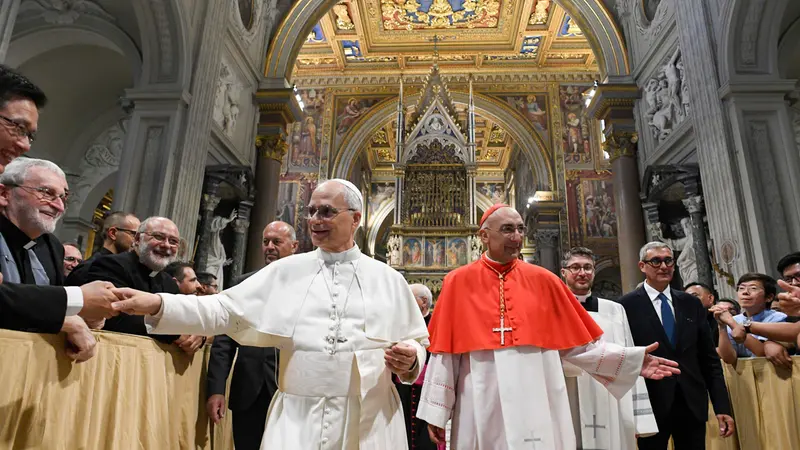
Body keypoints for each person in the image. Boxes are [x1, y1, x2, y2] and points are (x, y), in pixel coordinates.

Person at [111, 179, 429, 449]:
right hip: (298, 417)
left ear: (355, 218)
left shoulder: (388, 279)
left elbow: (417, 341)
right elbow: (222, 310)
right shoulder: (285, 272)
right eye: (311, 211)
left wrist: (412, 358)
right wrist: (159, 304)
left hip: (368, 419)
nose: (315, 220)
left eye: (327, 212)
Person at [416, 205, 679, 450]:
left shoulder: (545, 281)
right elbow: (446, 354)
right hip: (479, 396)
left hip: (538, 395)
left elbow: (579, 348)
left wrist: (631, 361)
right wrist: (437, 411)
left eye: (520, 229)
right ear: (484, 236)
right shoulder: (458, 282)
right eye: (507, 229)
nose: (517, 237)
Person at [0, 64, 117, 362]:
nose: (23, 144)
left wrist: (81, 314)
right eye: (17, 127)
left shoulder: (50, 246)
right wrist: (75, 304)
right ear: (5, 194)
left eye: (63, 197)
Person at [618, 242, 734, 450]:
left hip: (691, 400)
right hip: (650, 403)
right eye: (656, 261)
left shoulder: (691, 303)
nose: (664, 266)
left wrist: (721, 406)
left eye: (668, 261)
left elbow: (708, 359)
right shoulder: (626, 306)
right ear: (642, 266)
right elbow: (624, 358)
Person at [206, 220, 297, 450]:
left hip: (292, 391)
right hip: (248, 391)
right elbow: (224, 341)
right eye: (265, 241)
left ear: (294, 246)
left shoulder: (307, 286)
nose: (269, 247)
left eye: (276, 241)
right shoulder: (244, 283)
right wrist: (216, 389)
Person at [560, 247, 657, 450]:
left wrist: (639, 419)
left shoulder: (614, 310)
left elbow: (630, 358)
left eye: (587, 267)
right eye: (575, 267)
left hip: (610, 398)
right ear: (564, 272)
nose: (582, 273)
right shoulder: (555, 310)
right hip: (569, 393)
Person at [66, 216, 204, 355]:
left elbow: (184, 315)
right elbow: (116, 317)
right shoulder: (111, 265)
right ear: (137, 239)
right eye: (158, 237)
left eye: (173, 241)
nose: (166, 245)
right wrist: (174, 333)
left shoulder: (169, 282)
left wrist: (197, 334)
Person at [0, 158, 70, 286]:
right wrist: (75, 295)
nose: (59, 207)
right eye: (47, 192)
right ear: (4, 194)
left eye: (63, 197)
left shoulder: (53, 247)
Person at [712, 273, 789, 369]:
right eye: (741, 288)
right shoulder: (735, 319)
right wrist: (722, 326)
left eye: (753, 288)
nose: (745, 292)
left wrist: (732, 324)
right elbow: (729, 359)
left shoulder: (778, 317)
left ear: (769, 297)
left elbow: (761, 352)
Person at [394, 283, 437, 450]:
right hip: (402, 390)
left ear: (424, 301)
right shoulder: (400, 324)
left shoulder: (437, 323)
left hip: (429, 391)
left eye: (409, 299)